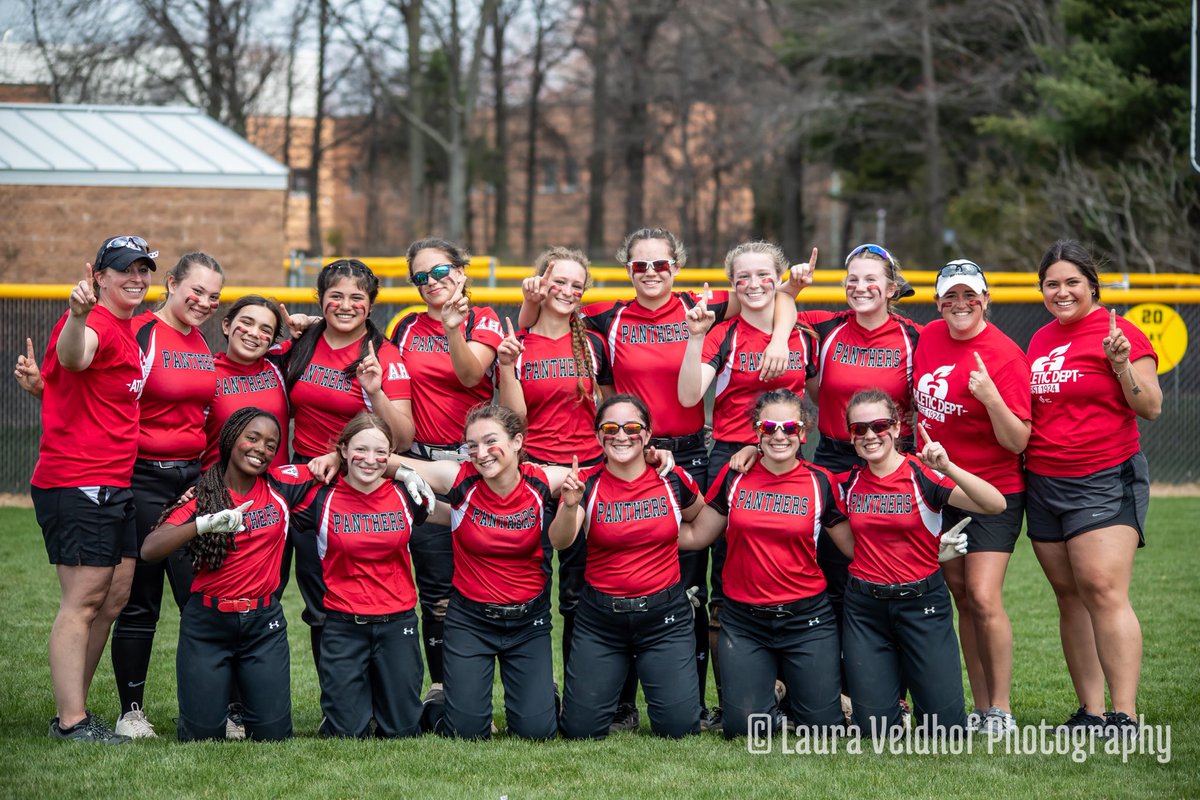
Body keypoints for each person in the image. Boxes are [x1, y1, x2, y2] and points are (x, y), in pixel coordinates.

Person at [521, 227, 794, 730]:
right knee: (596, 578)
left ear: (677, 267)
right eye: (640, 266)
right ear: (627, 270)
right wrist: (527, 305)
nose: (651, 273)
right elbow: (551, 318)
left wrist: (782, 328)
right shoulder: (610, 318)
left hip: (685, 454)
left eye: (661, 265)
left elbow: (773, 302)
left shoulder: (701, 307)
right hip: (624, 450)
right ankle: (616, 703)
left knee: (686, 586)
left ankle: (694, 702)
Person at [676, 241, 819, 728]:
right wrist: (696, 337)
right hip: (733, 460)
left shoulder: (805, 332)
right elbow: (691, 394)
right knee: (726, 580)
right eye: (743, 278)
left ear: (778, 280)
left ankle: (794, 690)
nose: (754, 285)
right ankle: (733, 697)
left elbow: (821, 390)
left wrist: (782, 333)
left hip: (786, 454)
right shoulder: (723, 334)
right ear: (732, 284)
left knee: (794, 565)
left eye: (764, 276)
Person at [1024, 240, 1162, 737]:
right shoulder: (1039, 340)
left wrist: (1121, 363)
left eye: (1071, 283)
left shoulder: (1119, 332)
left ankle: (1123, 715)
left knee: (1102, 589)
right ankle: (1092, 711)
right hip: (1043, 479)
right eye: (1052, 284)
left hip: (1103, 475)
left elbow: (1150, 407)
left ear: (1092, 286)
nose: (1061, 292)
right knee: (1069, 596)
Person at [376, 404, 571, 740]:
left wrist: (658, 459)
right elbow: (386, 461)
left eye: (491, 441)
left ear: (517, 442)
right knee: (467, 732)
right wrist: (341, 457)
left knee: (537, 733)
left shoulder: (542, 480)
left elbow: (605, 471)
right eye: (472, 445)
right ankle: (437, 702)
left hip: (528, 622)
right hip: (471, 621)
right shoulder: (458, 476)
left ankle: (541, 694)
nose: (481, 453)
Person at [32, 236, 156, 743]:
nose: (137, 278)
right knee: (82, 601)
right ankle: (71, 722)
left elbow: (60, 382)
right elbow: (76, 357)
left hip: (114, 482)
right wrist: (78, 315)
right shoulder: (90, 323)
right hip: (78, 480)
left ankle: (75, 709)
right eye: (125, 269)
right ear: (97, 274)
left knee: (113, 598)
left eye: (144, 270)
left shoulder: (126, 328)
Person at [678, 389, 850, 739]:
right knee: (743, 729)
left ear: (804, 433)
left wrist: (925, 550)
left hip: (807, 620)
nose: (779, 435)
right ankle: (770, 692)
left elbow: (856, 548)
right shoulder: (735, 475)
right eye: (769, 426)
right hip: (745, 622)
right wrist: (638, 523)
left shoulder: (821, 482)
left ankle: (799, 696)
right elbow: (696, 535)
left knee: (822, 729)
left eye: (789, 427)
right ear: (757, 431)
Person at [838, 389, 1004, 737]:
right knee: (877, 733)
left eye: (879, 425)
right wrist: (751, 449)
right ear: (851, 435)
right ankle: (881, 700)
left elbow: (995, 504)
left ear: (897, 427)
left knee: (945, 732)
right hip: (866, 609)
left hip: (922, 605)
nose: (870, 435)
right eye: (859, 429)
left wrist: (948, 467)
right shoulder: (847, 482)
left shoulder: (920, 474)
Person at [783, 244, 922, 657]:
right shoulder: (827, 328)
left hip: (889, 461)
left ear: (891, 288)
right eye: (853, 280)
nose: (860, 287)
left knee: (887, 571)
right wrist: (792, 286)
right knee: (832, 571)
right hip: (834, 458)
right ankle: (833, 684)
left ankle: (889, 687)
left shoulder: (912, 336)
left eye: (871, 280)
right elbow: (776, 310)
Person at [142, 408, 313, 741]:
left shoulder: (280, 486)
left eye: (270, 445)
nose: (261, 449)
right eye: (252, 438)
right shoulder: (204, 495)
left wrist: (399, 468)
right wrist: (203, 524)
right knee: (201, 737)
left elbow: (343, 459)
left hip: (264, 624)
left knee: (274, 737)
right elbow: (150, 548)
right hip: (207, 624)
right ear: (232, 437)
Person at [912, 259, 1031, 736]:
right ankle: (978, 707)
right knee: (960, 594)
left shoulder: (1003, 354)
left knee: (983, 595)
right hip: (940, 489)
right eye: (950, 296)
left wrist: (991, 398)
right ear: (939, 301)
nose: (960, 304)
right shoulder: (928, 338)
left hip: (992, 492)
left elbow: (1018, 441)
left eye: (970, 295)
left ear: (985, 299)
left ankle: (1001, 708)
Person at [110, 251, 225, 738]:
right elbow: (101, 395)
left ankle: (208, 709)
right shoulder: (141, 332)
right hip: (143, 477)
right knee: (141, 598)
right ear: (172, 283)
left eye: (214, 296)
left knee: (198, 595)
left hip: (192, 480)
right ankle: (131, 711)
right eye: (195, 290)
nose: (203, 302)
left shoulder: (200, 339)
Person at [281, 258, 413, 672]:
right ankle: (337, 701)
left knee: (365, 595)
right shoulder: (302, 342)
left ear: (370, 306)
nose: (345, 305)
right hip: (309, 481)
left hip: (363, 483)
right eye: (335, 295)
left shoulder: (383, 354)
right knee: (318, 601)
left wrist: (375, 391)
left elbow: (404, 437)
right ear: (320, 300)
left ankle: (375, 694)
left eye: (357, 297)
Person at [550, 394, 705, 739]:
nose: (622, 435)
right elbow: (561, 541)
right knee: (580, 731)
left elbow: (701, 519)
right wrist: (569, 506)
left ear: (648, 435)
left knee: (679, 728)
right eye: (610, 428)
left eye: (632, 427)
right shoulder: (585, 484)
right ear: (597, 436)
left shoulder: (673, 479)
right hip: (602, 620)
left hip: (664, 618)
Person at [388, 238, 503, 687]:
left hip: (477, 465)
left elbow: (471, 374)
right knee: (436, 590)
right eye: (421, 277)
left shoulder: (484, 318)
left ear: (461, 271)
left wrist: (453, 327)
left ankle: (484, 687)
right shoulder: (406, 327)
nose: (431, 282)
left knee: (484, 583)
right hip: (423, 464)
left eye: (440, 272)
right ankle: (442, 688)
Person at [495, 246, 612, 676]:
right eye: (557, 281)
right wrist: (507, 366)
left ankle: (584, 693)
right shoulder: (518, 342)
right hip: (536, 475)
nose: (566, 290)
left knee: (581, 594)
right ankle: (541, 691)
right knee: (533, 588)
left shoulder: (594, 342)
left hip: (588, 475)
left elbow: (609, 409)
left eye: (575, 285)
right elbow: (514, 419)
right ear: (539, 284)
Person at [294, 413, 431, 738]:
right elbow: (264, 480)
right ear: (342, 449)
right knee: (346, 733)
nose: (370, 460)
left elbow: (447, 493)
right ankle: (351, 706)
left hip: (397, 624)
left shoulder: (407, 496)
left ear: (390, 455)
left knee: (401, 731)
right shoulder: (319, 497)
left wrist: (406, 471)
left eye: (380, 452)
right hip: (344, 626)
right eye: (360, 449)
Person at [204, 295, 291, 470]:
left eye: (265, 330)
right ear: (227, 326)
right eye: (247, 322)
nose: (254, 333)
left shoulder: (278, 368)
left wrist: (308, 321)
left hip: (276, 490)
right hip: (221, 490)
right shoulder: (206, 373)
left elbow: (322, 334)